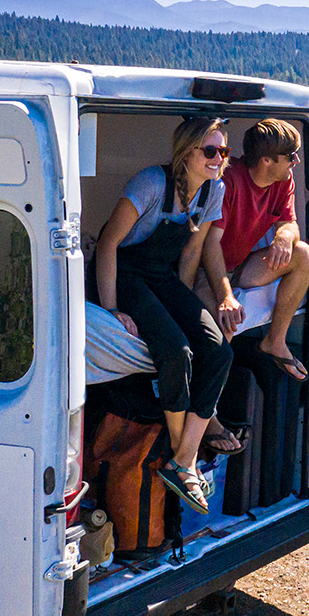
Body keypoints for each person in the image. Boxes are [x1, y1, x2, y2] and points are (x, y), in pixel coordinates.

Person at [94, 117, 239, 514]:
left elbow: (190, 254)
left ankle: (183, 458)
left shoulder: (215, 190)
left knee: (219, 351)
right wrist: (112, 310)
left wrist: (185, 305)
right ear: (185, 152)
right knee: (176, 351)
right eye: (209, 151)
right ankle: (183, 457)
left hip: (160, 275)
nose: (218, 159)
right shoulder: (151, 184)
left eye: (223, 152)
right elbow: (108, 245)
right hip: (124, 271)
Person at [202, 118, 309, 379]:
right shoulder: (229, 180)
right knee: (226, 326)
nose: (295, 161)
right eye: (291, 156)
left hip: (239, 266)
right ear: (266, 160)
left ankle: (275, 341)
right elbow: (210, 246)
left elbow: (290, 225)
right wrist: (226, 298)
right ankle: (207, 416)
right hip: (206, 271)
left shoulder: (283, 180)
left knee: (304, 255)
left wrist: (284, 237)